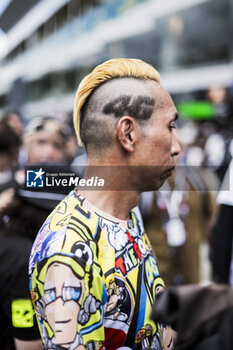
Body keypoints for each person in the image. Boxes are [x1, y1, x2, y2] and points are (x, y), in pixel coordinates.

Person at [29, 58, 180, 350]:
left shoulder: (127, 214)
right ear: (128, 134)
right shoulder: (67, 248)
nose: (177, 145)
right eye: (171, 126)